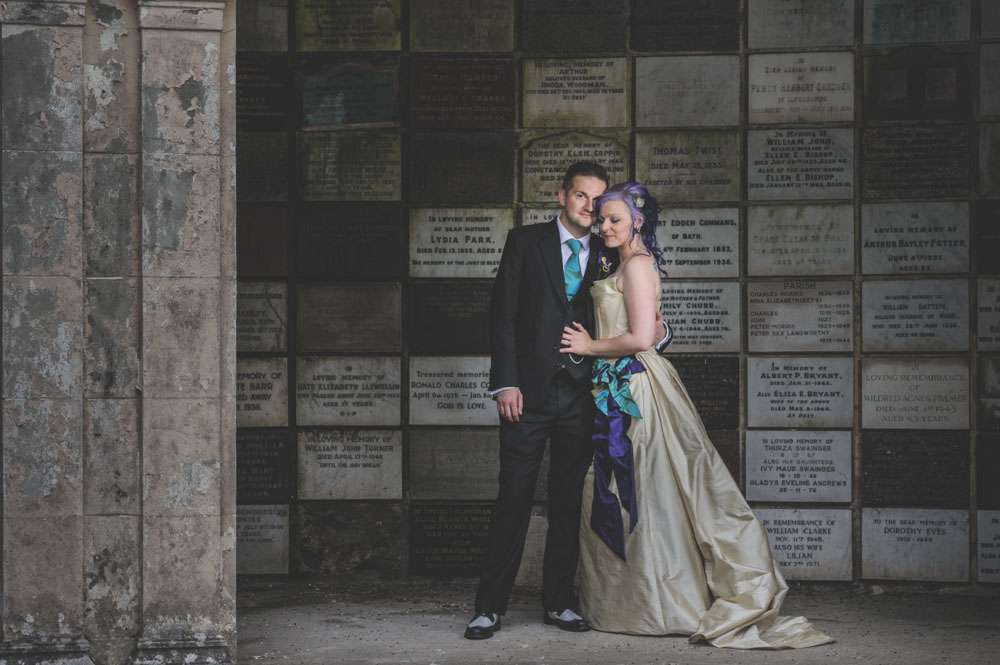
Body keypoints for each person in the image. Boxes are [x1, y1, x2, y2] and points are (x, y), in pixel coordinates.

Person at [558, 181, 834, 649]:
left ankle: (662, 604)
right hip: (616, 384)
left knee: (645, 486)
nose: (604, 226)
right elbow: (650, 328)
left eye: (614, 219)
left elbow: (641, 338)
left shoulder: (637, 265)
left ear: (638, 221)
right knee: (632, 489)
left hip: (636, 386)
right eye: (601, 219)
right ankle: (637, 602)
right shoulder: (623, 262)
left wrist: (589, 346)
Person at [465, 164, 672, 640]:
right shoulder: (525, 242)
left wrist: (658, 337)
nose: (590, 208)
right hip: (527, 395)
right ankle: (488, 607)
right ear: (562, 196)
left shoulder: (608, 250)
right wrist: (505, 383)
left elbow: (638, 312)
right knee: (513, 497)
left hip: (584, 396)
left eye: (599, 201)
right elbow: (503, 316)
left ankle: (559, 602)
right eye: (581, 196)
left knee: (567, 502)